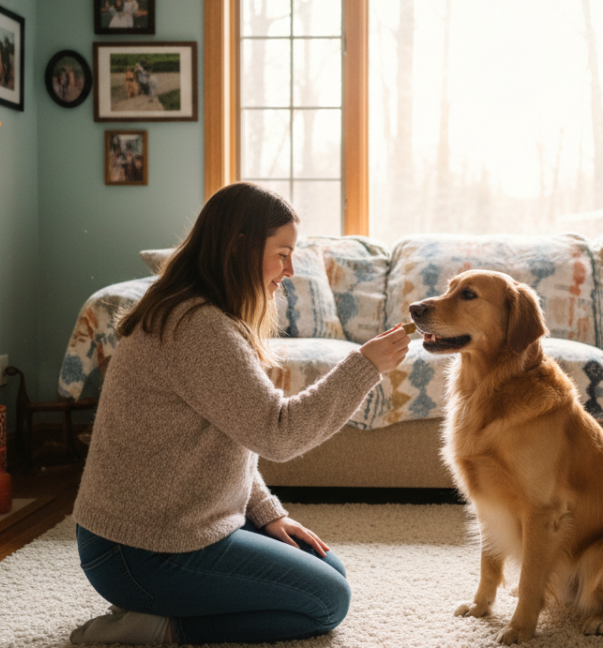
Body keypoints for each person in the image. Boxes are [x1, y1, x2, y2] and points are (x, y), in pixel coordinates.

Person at [69, 183, 411, 645]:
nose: (290, 270)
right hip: (139, 550)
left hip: (166, 530)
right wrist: (364, 366)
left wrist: (266, 514)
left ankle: (163, 604)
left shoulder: (204, 314)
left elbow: (233, 436)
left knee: (328, 568)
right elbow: (277, 433)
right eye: (282, 254)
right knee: (328, 600)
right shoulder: (198, 328)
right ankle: (160, 627)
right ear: (239, 247)